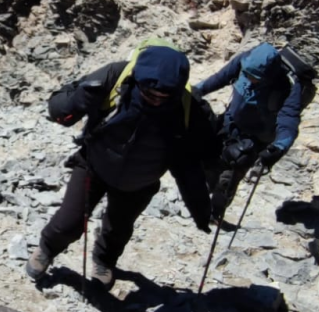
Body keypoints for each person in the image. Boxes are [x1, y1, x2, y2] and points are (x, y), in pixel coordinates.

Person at [29, 39, 217, 290]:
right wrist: (78, 99)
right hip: (93, 165)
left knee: (118, 230)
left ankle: (104, 261)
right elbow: (57, 110)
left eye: (165, 96)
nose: (157, 100)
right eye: (150, 93)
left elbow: (188, 166)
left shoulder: (189, 107)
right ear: (138, 78)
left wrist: (201, 210)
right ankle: (46, 249)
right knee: (69, 222)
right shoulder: (116, 75)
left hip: (141, 181)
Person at [191, 42, 313, 226]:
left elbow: (289, 120)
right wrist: (195, 91)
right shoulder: (245, 60)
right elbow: (221, 78)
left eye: (254, 77)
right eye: (246, 75)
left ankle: (214, 213)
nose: (248, 79)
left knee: (228, 177)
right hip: (229, 123)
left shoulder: (287, 86)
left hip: (253, 140)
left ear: (268, 75)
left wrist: (278, 147)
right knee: (208, 161)